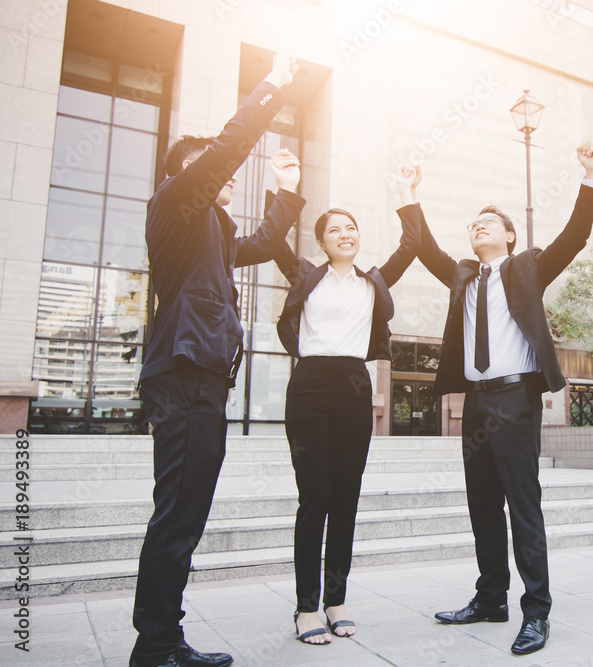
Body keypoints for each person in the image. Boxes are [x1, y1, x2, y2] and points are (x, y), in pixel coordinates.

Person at [396, 141, 593, 655]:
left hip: (515, 400)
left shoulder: (528, 267)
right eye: (473, 223)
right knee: (482, 502)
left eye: (489, 221)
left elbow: (575, 236)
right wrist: (408, 192)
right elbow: (423, 247)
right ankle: (491, 598)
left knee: (522, 503)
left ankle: (537, 611)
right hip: (476, 403)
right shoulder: (463, 275)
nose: (478, 226)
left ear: (509, 235)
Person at [131, 55, 303, 667]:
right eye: (214, 169)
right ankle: (156, 645)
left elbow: (260, 244)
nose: (228, 176)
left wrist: (285, 192)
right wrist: (273, 88)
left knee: (187, 510)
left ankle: (161, 638)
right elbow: (227, 150)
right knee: (177, 509)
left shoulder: (216, 233)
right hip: (181, 378)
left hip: (204, 382)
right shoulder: (176, 208)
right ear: (188, 173)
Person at [271, 170, 420, 645]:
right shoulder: (304, 275)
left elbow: (412, 243)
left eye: (351, 227)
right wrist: (285, 186)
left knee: (346, 499)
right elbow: (272, 237)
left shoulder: (372, 282)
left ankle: (336, 601)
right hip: (311, 385)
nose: (345, 234)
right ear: (321, 241)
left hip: (355, 384)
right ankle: (305, 608)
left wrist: (405, 192)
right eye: (335, 229)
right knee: (314, 497)